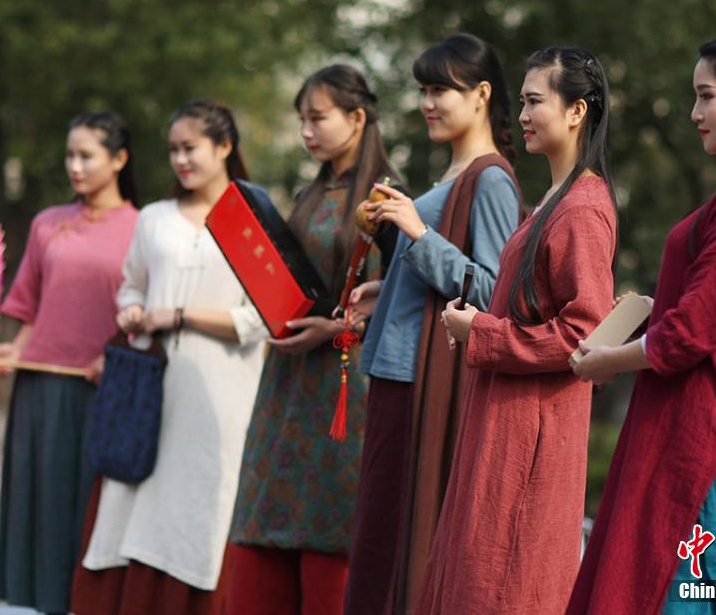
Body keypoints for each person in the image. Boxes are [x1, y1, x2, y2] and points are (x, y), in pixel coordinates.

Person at [568, 30, 716, 615]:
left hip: (703, 444)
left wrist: (610, 360)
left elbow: (695, 330)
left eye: (707, 96)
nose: (694, 113)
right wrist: (651, 319)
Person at [419, 46, 618, 615]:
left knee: (503, 582)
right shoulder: (557, 198)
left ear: (576, 111)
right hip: (506, 417)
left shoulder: (582, 207)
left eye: (535, 102)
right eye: (524, 102)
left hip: (532, 430)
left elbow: (581, 333)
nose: (523, 115)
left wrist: (482, 331)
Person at [344, 33, 523, 615]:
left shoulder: (491, 178)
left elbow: (492, 289)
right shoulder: (452, 173)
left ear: (481, 95)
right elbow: (442, 274)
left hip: (421, 383)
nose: (427, 103)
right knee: (379, 535)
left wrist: (415, 230)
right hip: (396, 372)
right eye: (423, 90)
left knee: (395, 538)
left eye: (440, 89)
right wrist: (387, 288)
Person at [71, 100, 268, 615]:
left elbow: (263, 319)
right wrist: (134, 310)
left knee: (204, 504)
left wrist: (180, 315)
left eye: (190, 148)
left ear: (224, 147)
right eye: (173, 150)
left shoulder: (250, 222)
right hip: (148, 390)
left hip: (221, 394)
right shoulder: (154, 219)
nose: (180, 160)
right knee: (134, 502)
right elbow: (132, 286)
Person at [225, 64, 401, 615]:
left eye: (317, 118)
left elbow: (404, 302)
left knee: (333, 546)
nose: (306, 131)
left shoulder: (388, 199)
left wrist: (341, 328)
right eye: (301, 119)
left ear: (357, 118)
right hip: (284, 385)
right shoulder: (307, 193)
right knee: (261, 541)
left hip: (345, 388)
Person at [0, 111, 139, 615]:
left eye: (86, 156)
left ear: (118, 159)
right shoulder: (46, 223)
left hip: (109, 390)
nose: (75, 166)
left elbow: (144, 313)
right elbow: (31, 306)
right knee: (45, 516)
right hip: (41, 389)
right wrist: (15, 350)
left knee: (97, 518)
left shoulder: (144, 228)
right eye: (70, 155)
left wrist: (116, 355)